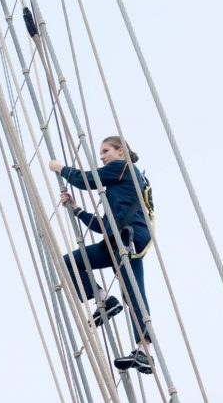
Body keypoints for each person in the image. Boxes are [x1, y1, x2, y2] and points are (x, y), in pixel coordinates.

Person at [48, 136, 153, 374]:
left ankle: (145, 351)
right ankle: (104, 300)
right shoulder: (118, 188)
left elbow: (86, 180)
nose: (102, 156)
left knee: (134, 290)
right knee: (70, 262)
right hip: (117, 238)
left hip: (130, 238)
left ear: (121, 152)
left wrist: (60, 168)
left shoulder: (124, 168)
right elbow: (104, 227)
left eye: (106, 151)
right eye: (101, 153)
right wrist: (77, 210)